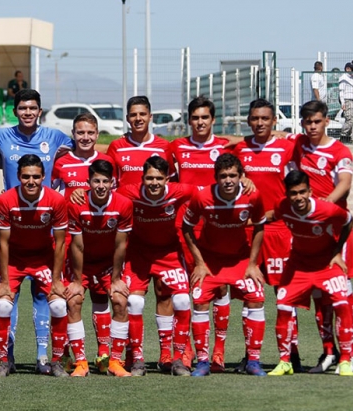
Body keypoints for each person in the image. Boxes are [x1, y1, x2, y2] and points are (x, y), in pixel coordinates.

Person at [0, 88, 73, 374]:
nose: (27, 112)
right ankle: (4, 359)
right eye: (22, 108)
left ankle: (47, 359)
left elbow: (81, 156)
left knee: (54, 304)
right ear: (15, 111)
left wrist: (77, 188)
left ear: (40, 110)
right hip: (15, 238)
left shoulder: (56, 137)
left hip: (43, 246)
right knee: (4, 305)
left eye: (32, 108)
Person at [231, 98, 302, 371]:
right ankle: (252, 356)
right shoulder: (240, 149)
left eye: (265, 119)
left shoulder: (287, 148)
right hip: (248, 233)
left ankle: (290, 353)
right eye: (255, 119)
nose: (259, 123)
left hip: (279, 231)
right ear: (248, 121)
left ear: (274, 121)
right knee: (251, 295)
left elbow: (297, 189)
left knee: (285, 295)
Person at [182, 153, 267, 377]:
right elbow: (186, 227)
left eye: (232, 175)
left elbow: (259, 227)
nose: (228, 180)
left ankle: (253, 361)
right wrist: (199, 263)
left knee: (257, 298)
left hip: (240, 260)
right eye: (223, 176)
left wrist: (252, 264)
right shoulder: (202, 197)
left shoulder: (253, 196)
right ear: (216, 178)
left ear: (241, 176)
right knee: (199, 302)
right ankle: (202, 362)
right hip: (210, 262)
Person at [291, 100, 353, 372]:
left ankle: (350, 352)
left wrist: (324, 206)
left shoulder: (339, 150)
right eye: (308, 122)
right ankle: (328, 350)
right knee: (319, 293)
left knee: (342, 293)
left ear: (326, 121)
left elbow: (345, 181)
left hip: (335, 229)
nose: (312, 127)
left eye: (317, 121)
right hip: (308, 232)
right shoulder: (298, 144)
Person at [268, 170, 353, 377]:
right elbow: (273, 216)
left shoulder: (326, 209)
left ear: (310, 191)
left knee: (342, 304)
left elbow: (348, 221)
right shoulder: (283, 207)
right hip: (298, 265)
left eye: (302, 192)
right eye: (293, 193)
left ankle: (345, 359)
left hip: (326, 265)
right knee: (282, 306)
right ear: (287, 194)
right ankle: (285, 361)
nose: (298, 197)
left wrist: (337, 252)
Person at [169, 96, 235, 371]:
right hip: (185, 227)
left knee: (219, 287)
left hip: (217, 227)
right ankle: (184, 352)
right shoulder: (176, 147)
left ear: (213, 120)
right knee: (186, 291)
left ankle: (217, 353)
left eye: (205, 117)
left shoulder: (225, 147)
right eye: (195, 118)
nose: (200, 122)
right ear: (189, 120)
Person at [117, 157, 196, 376]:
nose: (154, 183)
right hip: (138, 254)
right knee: (134, 301)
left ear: (167, 179)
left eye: (159, 178)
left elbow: (207, 193)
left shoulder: (181, 191)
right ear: (142, 178)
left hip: (169, 253)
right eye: (149, 178)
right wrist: (80, 192)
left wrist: (244, 181)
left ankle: (175, 357)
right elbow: (101, 193)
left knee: (179, 299)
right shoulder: (128, 192)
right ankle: (137, 359)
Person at [0, 155, 68, 377]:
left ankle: (54, 361)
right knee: (3, 306)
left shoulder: (55, 200)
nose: (31, 181)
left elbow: (61, 241)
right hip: (15, 259)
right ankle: (4, 361)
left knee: (58, 306)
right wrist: (5, 281)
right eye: (26, 177)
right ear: (18, 177)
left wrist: (56, 280)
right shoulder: (7, 200)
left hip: (43, 259)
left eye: (36, 176)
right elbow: (3, 242)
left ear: (43, 177)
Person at [65, 160, 132, 377]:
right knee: (73, 301)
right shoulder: (76, 204)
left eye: (105, 181)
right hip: (81, 265)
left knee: (120, 300)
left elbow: (120, 244)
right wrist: (76, 281)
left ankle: (114, 360)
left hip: (107, 265)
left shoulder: (123, 204)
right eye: (96, 181)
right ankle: (81, 362)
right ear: (88, 182)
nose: (101, 186)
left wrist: (115, 279)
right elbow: (76, 244)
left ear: (113, 183)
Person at [108, 95, 174, 188]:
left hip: (155, 202)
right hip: (126, 201)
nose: (138, 118)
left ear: (150, 117)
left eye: (142, 114)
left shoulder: (164, 146)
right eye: (133, 115)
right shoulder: (116, 146)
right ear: (127, 118)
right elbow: (107, 180)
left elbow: (172, 180)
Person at [51, 112, 114, 200]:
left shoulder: (107, 161)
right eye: (80, 133)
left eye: (90, 133)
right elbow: (49, 192)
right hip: (69, 213)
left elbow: (114, 191)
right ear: (73, 133)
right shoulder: (61, 163)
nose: (85, 138)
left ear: (97, 134)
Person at [338, 62, 353, 143]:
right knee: (349, 119)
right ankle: (343, 135)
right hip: (348, 101)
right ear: (347, 69)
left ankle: (349, 138)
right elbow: (341, 92)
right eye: (352, 69)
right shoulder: (343, 78)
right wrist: (343, 103)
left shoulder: (352, 78)